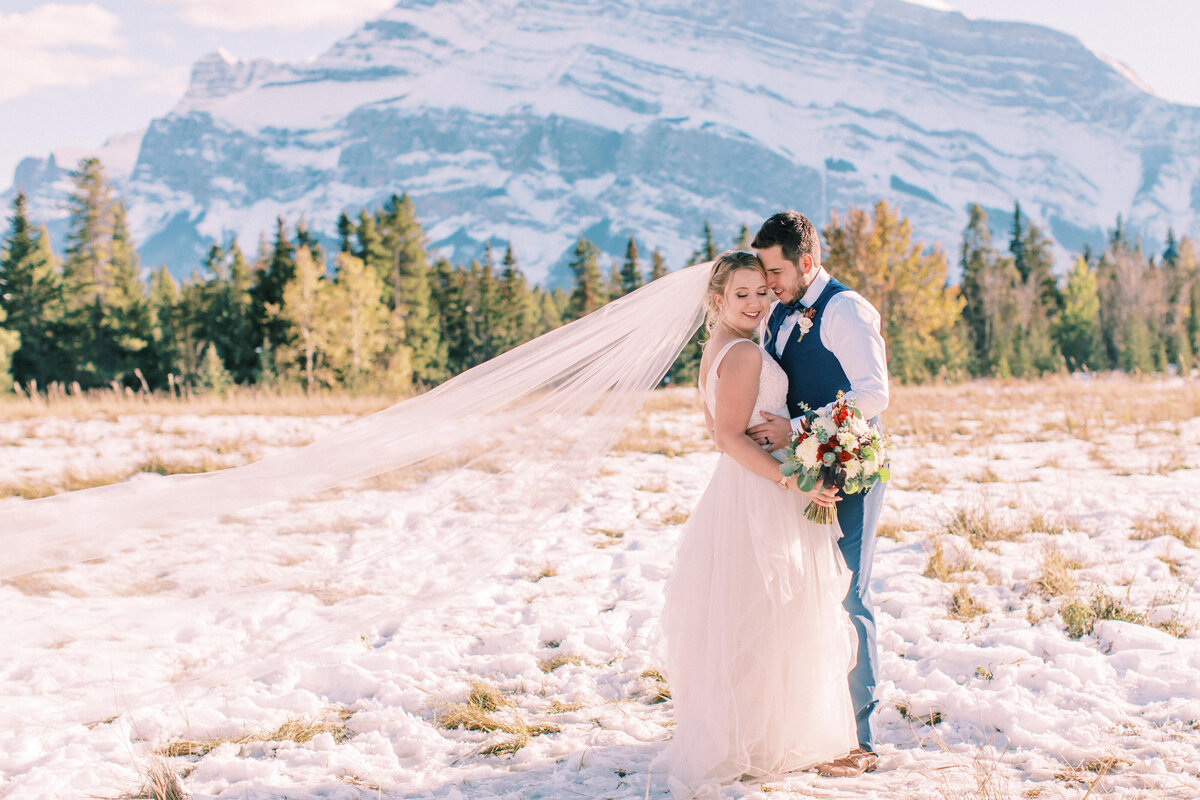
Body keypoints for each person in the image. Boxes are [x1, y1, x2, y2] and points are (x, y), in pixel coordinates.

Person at [661, 251, 858, 799]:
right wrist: (791, 481)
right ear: (718, 300)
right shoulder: (745, 353)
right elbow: (728, 437)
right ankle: (762, 739)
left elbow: (721, 433)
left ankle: (747, 733)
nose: (755, 303)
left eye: (762, 293)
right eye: (741, 294)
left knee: (748, 611)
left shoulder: (716, 349)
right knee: (770, 611)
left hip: (738, 490)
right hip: (760, 491)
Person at [746, 211, 889, 776]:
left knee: (849, 594)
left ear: (807, 261)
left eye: (776, 271)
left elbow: (873, 395)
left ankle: (863, 740)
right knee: (802, 595)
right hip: (798, 469)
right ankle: (809, 726)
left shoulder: (847, 310)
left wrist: (800, 431)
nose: (770, 283)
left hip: (848, 466)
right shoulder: (778, 312)